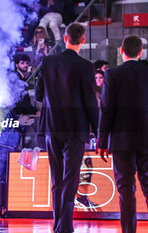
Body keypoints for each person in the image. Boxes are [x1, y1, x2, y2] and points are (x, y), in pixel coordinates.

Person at [35, 23, 98, 233]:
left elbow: (37, 95)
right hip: (76, 129)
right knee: (70, 179)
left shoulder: (48, 62)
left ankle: (59, 226)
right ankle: (65, 227)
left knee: (57, 179)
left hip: (52, 127)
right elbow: (91, 102)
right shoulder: (86, 66)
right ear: (82, 40)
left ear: (65, 38)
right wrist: (98, 131)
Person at [97, 35, 148, 233]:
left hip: (122, 139)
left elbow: (106, 109)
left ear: (121, 51)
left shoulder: (113, 75)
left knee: (126, 189)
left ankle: (129, 231)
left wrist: (102, 141)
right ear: (140, 52)